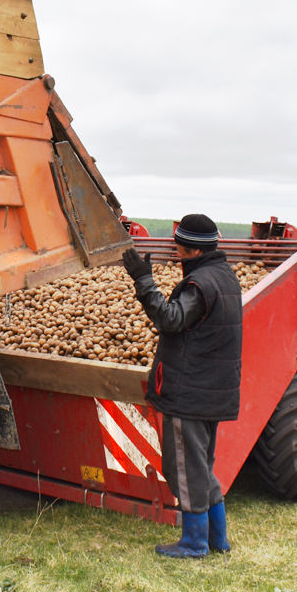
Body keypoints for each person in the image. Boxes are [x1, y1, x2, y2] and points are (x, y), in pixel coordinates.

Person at [121, 214, 243, 558]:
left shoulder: (199, 284)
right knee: (202, 466)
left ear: (190, 249)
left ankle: (194, 543)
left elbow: (170, 319)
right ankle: (218, 540)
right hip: (213, 391)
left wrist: (144, 282)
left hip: (189, 393)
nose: (174, 251)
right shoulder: (225, 277)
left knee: (184, 469)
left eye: (178, 245)